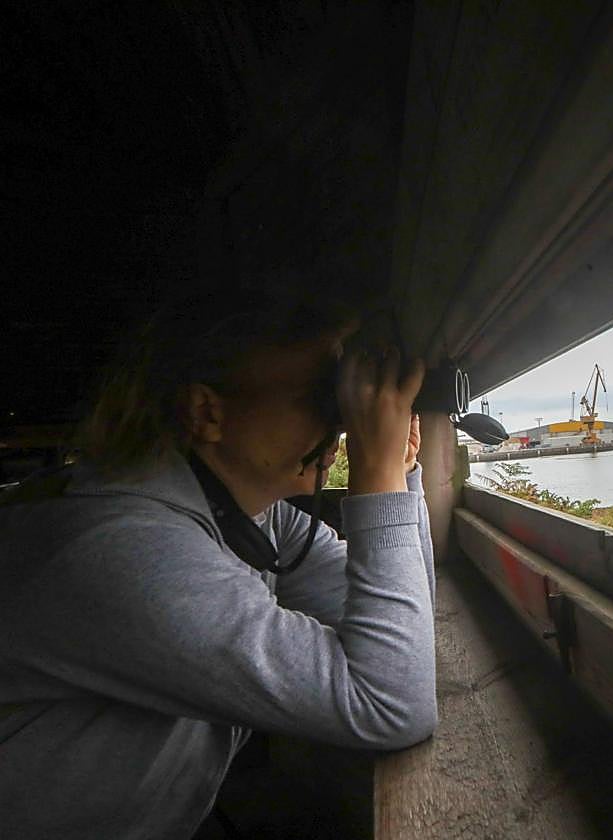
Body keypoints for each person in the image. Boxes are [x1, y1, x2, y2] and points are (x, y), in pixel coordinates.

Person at [0, 291, 437, 838]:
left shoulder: (252, 516)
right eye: (322, 396)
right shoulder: (125, 548)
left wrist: (400, 468)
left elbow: (403, 640)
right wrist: (375, 471)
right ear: (207, 411)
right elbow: (390, 704)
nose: (343, 419)